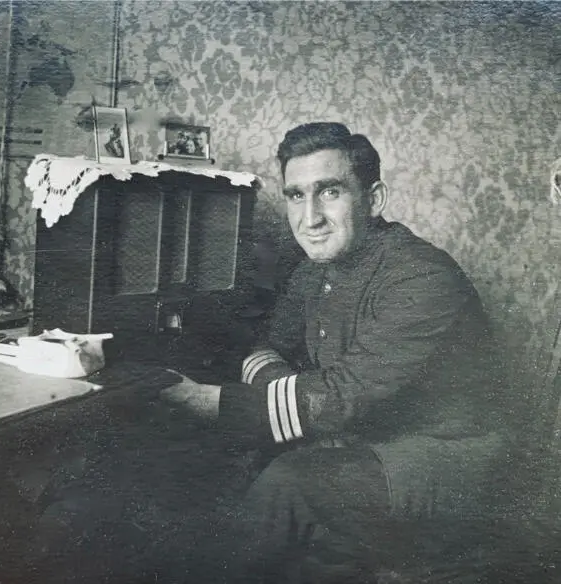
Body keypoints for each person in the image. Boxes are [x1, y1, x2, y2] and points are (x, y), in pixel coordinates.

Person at [163, 122, 513, 582]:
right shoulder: (314, 270)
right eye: (296, 195)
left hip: (440, 464)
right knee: (221, 466)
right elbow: (268, 347)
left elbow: (339, 396)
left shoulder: (422, 276)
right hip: (360, 446)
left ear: (374, 199)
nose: (310, 218)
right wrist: (297, 399)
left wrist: (204, 400)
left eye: (330, 192)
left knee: (290, 483)